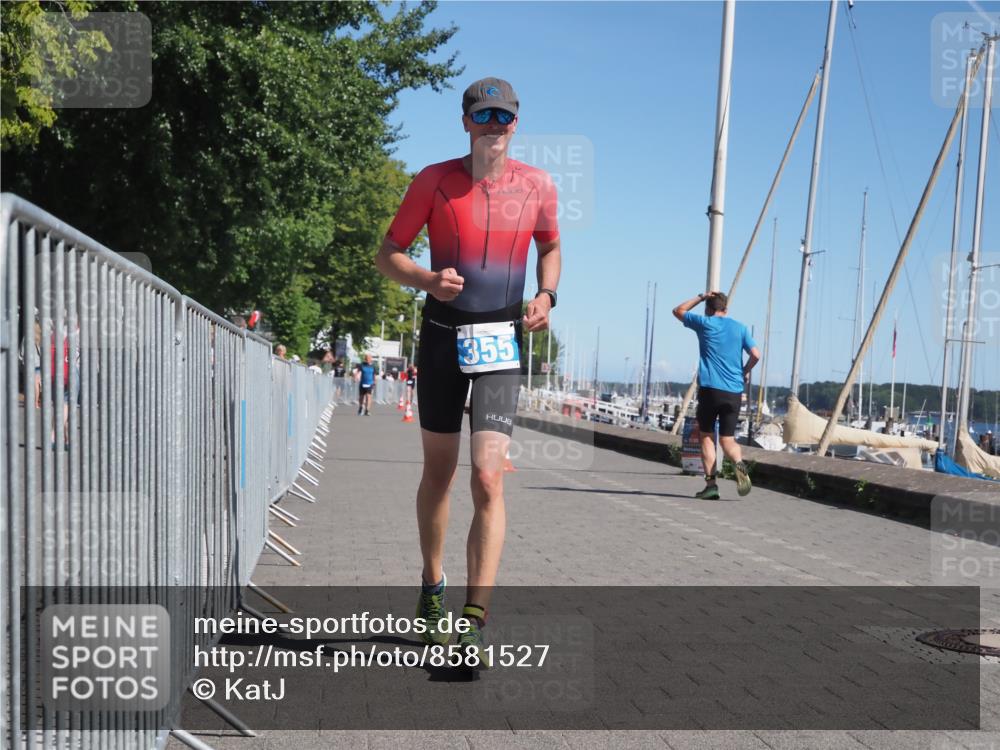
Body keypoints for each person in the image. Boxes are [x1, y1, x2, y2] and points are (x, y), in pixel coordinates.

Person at [374, 76, 560, 664]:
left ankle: (473, 619)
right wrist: (427, 280)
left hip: (502, 340)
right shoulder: (434, 180)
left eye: (503, 117)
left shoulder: (537, 185)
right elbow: (388, 254)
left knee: (487, 477)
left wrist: (547, 295)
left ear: (515, 122)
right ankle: (432, 584)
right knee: (440, 474)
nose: (494, 127)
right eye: (483, 117)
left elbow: (550, 247)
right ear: (465, 123)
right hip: (441, 337)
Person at [673, 291, 760, 500]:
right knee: (728, 439)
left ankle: (711, 485)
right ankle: (739, 465)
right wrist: (744, 371)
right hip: (734, 391)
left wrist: (701, 296)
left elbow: (678, 310)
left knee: (706, 437)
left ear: (708, 310)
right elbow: (756, 354)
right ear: (726, 309)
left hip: (711, 389)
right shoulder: (740, 328)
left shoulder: (705, 323)